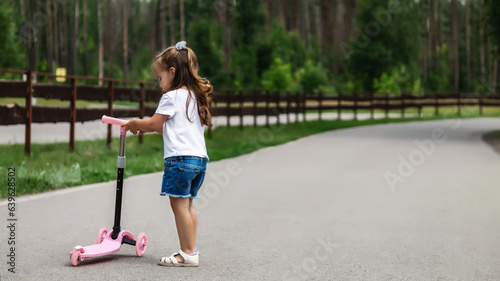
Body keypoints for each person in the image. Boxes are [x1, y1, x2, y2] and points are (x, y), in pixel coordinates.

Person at [122, 41, 212, 267]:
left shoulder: (171, 97)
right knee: (188, 206)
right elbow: (166, 127)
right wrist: (146, 127)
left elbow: (154, 123)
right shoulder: (194, 97)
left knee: (178, 206)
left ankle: (186, 253)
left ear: (172, 73)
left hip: (180, 162)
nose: (159, 82)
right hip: (198, 161)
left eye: (160, 77)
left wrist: (135, 122)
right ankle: (191, 251)